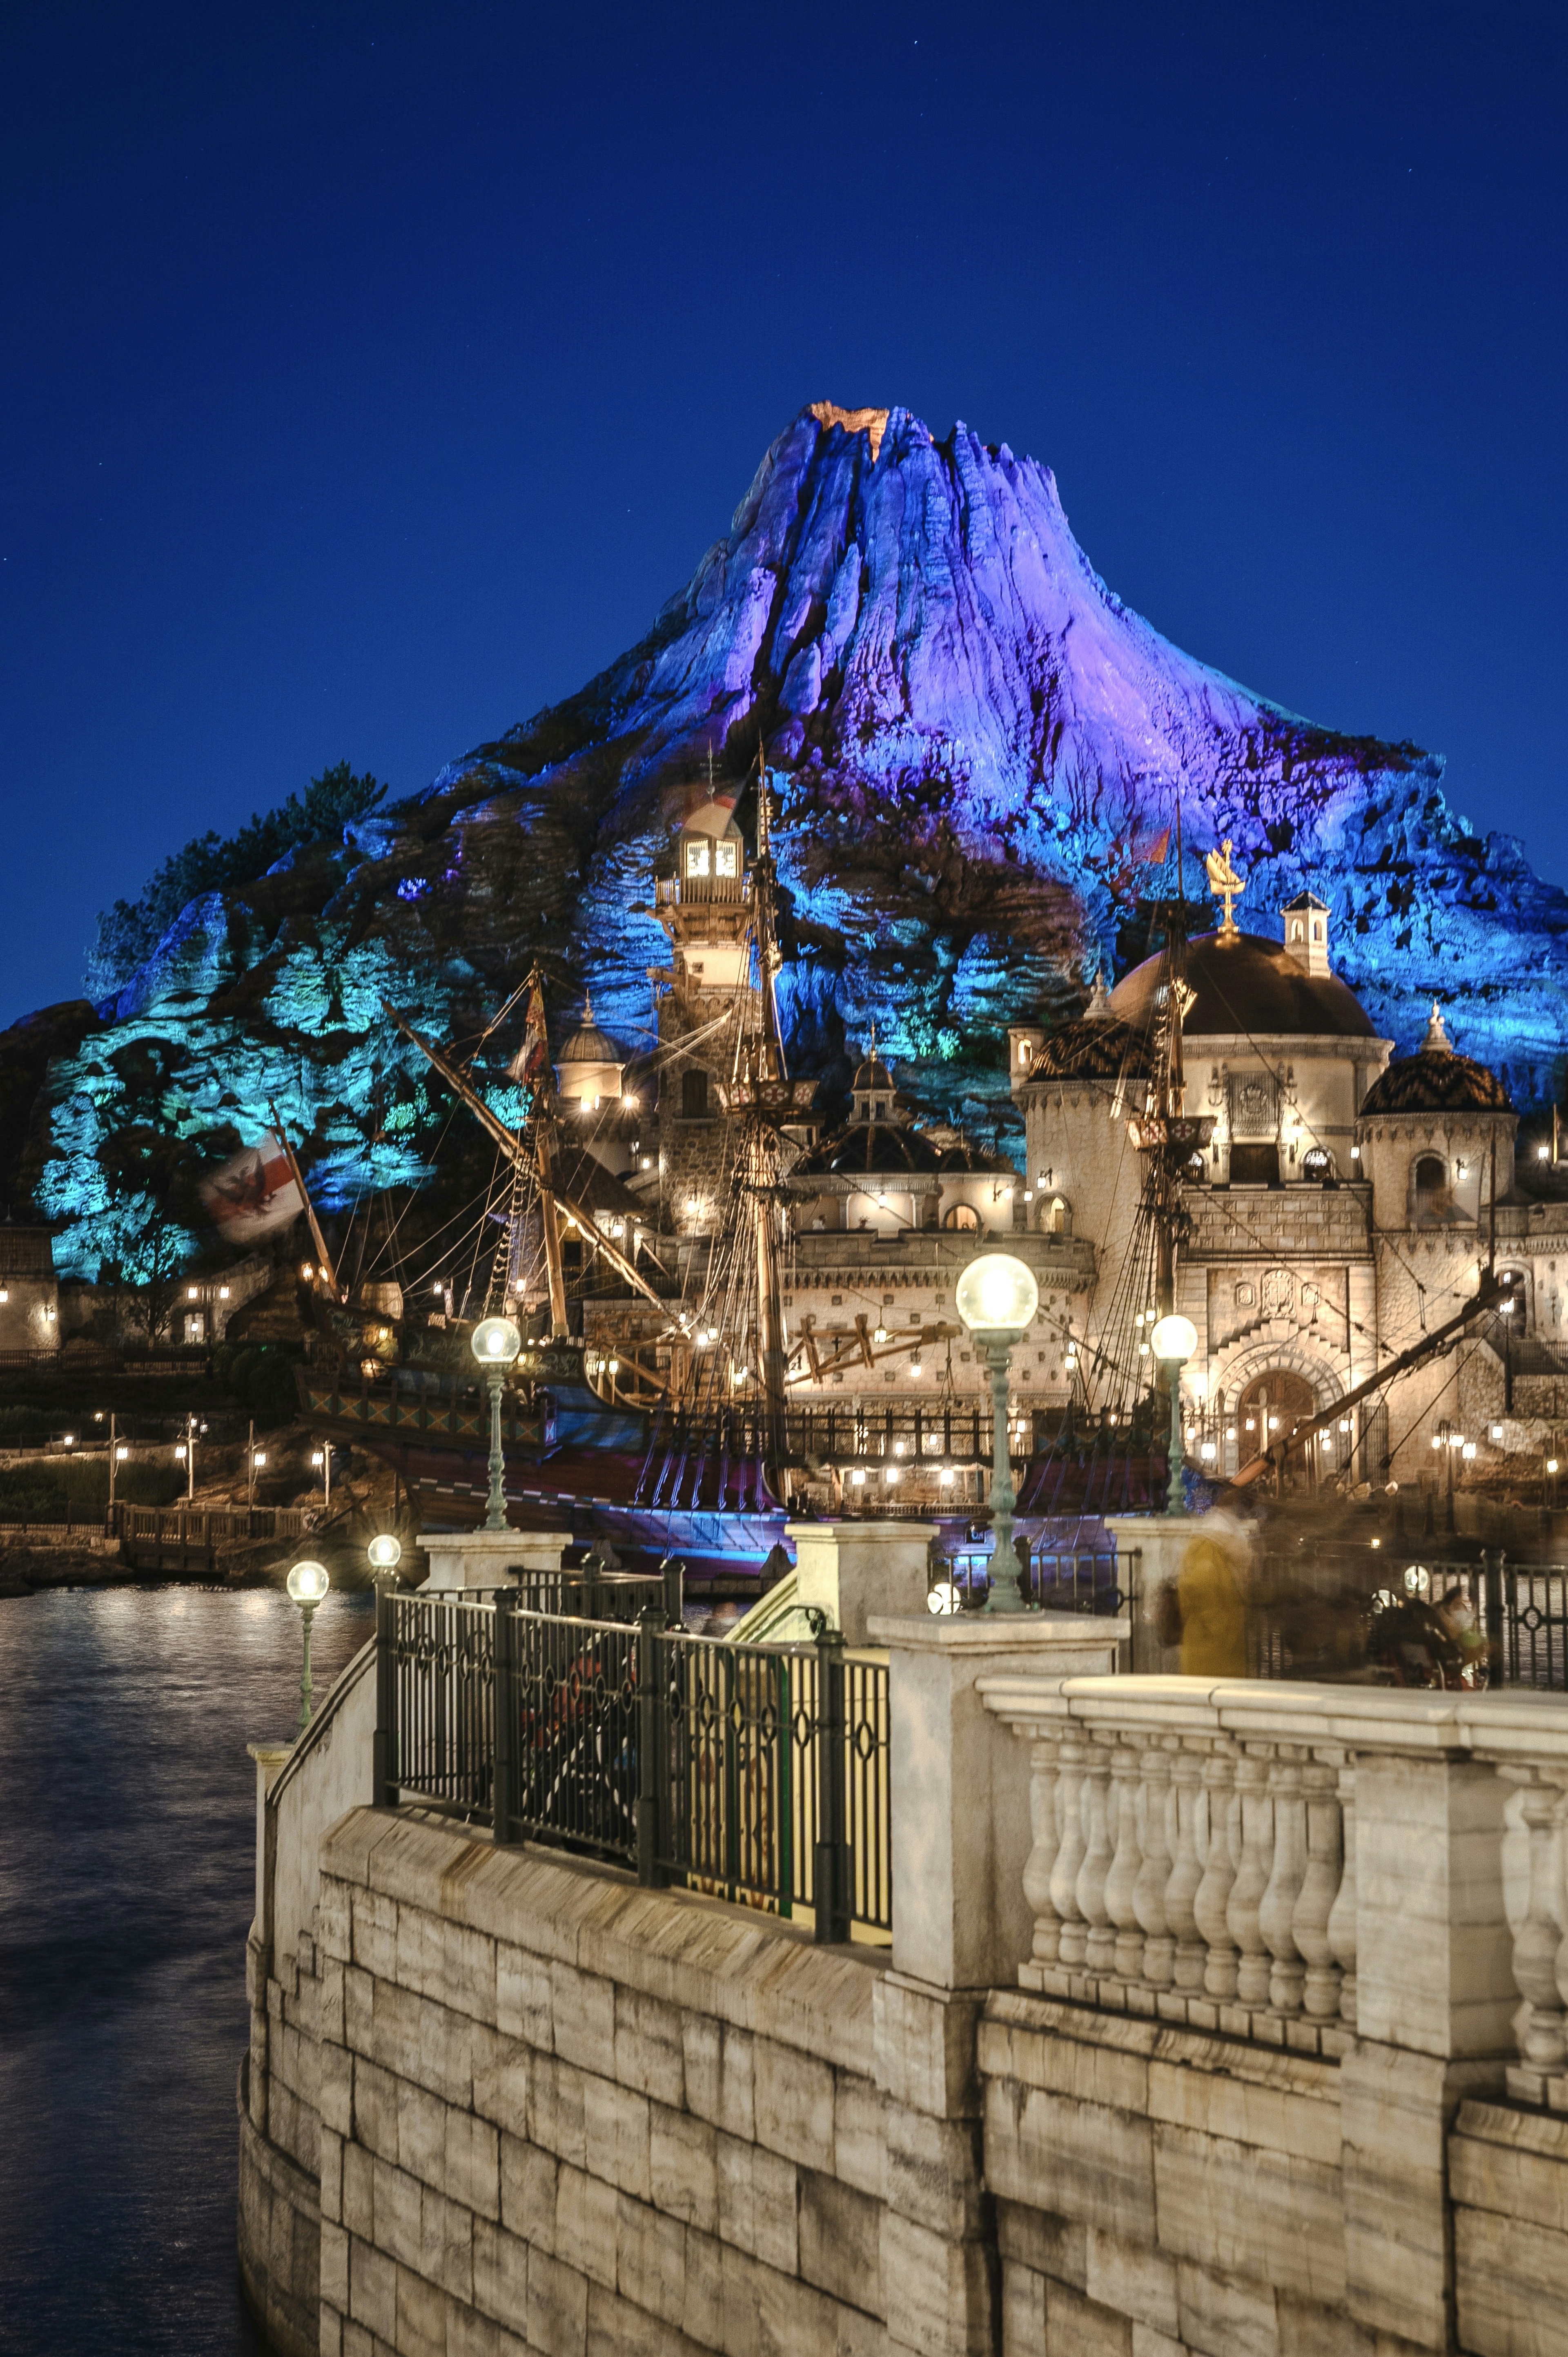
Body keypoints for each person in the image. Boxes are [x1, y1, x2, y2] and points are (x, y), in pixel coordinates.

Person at [1174, 1504, 1254, 1675]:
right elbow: (1201, 1593)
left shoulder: (1219, 1550)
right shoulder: (1207, 1549)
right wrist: (1224, 1632)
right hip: (1208, 1649)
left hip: (1220, 1650)